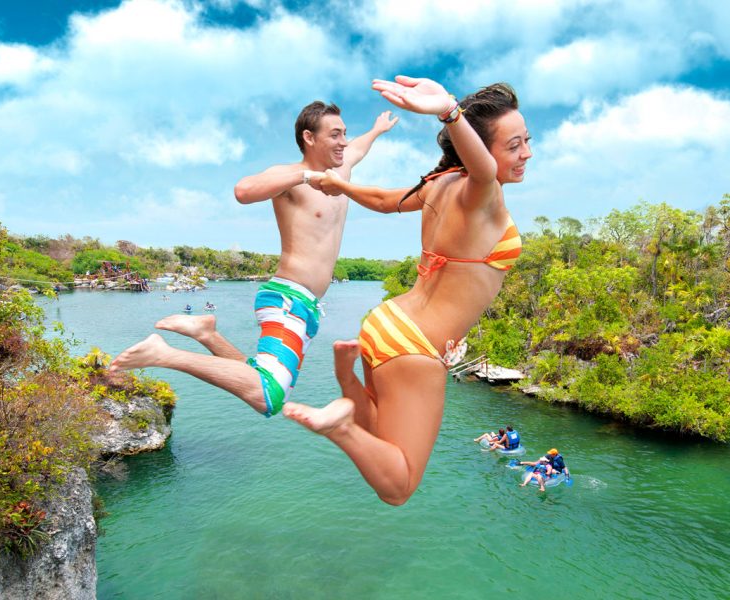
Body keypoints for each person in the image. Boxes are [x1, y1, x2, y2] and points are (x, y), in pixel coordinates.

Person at [283, 76, 532, 505]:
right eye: (513, 145)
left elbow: (382, 199)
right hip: (416, 345)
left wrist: (342, 186)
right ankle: (340, 426)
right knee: (399, 487)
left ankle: (346, 381)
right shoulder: (481, 191)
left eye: (526, 140)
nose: (526, 152)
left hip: (386, 322)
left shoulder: (441, 183)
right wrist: (449, 111)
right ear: (479, 148)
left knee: (383, 439)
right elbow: (485, 172)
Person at [109, 103, 398, 417]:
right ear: (309, 138)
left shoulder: (341, 173)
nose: (343, 141)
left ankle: (206, 332)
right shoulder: (288, 176)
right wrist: (303, 176)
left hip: (306, 304)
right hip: (288, 298)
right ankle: (163, 354)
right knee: (268, 396)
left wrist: (377, 130)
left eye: (345, 133)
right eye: (335, 134)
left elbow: (357, 148)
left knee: (259, 376)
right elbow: (243, 191)